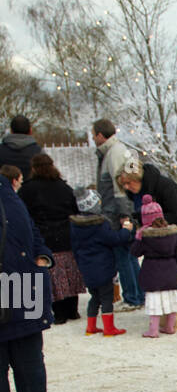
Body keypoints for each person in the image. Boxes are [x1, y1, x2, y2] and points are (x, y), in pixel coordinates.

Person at [0, 168, 68, 392]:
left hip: (23, 285)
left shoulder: (7, 190)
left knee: (32, 367)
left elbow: (30, 228)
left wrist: (43, 256)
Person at [116, 155, 177, 321]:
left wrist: (146, 221)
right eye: (124, 185)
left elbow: (175, 214)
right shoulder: (139, 193)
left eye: (129, 183)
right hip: (168, 231)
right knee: (175, 268)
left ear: (138, 178)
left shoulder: (163, 186)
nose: (127, 187)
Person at [19, 154, 85, 323]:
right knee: (69, 271)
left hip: (45, 235)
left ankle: (60, 312)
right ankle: (73, 309)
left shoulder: (28, 189)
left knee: (54, 274)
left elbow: (23, 214)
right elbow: (74, 209)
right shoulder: (63, 187)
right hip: (66, 234)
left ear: (34, 168)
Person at [92, 119, 144, 312]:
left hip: (116, 213)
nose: (92, 137)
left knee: (124, 255)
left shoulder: (113, 153)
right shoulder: (118, 150)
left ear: (100, 134)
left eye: (93, 134)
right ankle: (137, 294)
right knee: (128, 255)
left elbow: (119, 187)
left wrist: (123, 214)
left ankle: (133, 296)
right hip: (118, 211)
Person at [69, 190, 128, 336]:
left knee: (95, 297)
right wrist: (126, 230)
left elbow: (75, 249)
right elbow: (114, 239)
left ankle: (91, 327)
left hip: (87, 269)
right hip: (103, 268)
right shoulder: (100, 225)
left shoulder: (75, 227)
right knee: (106, 297)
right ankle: (109, 328)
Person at [131, 196, 177, 338]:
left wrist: (137, 237)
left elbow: (135, 252)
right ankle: (170, 327)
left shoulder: (145, 236)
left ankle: (153, 330)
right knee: (171, 301)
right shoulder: (172, 234)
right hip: (171, 271)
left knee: (154, 303)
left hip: (152, 274)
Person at [0, 116, 42, 182]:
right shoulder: (39, 152)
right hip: (32, 191)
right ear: (30, 131)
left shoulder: (1, 150)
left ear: (11, 130)